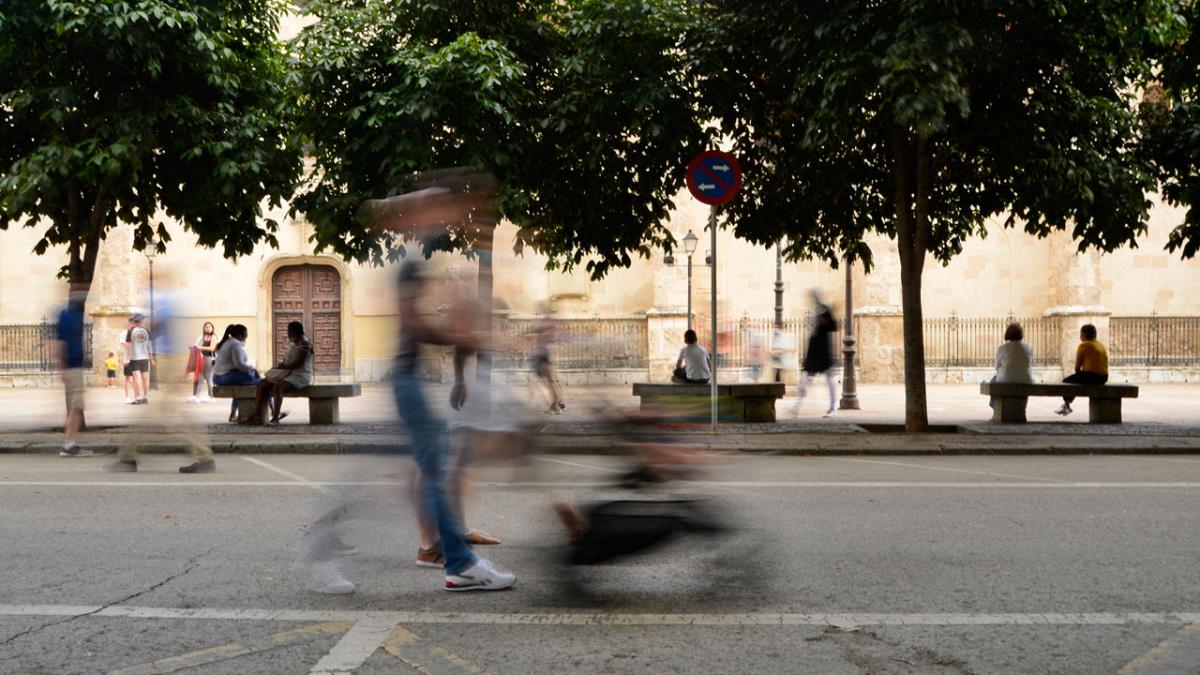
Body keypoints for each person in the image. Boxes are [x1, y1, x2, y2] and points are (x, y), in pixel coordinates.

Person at [297, 171, 515, 594]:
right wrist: (462, 336)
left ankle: (452, 561)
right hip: (407, 383)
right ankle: (456, 563)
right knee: (425, 474)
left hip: (409, 382)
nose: (450, 214)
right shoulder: (410, 263)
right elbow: (414, 324)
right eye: (438, 207)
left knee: (415, 473)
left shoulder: (418, 256)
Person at [245, 321, 313, 425]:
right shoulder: (295, 342)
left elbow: (299, 363)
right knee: (262, 383)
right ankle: (256, 413)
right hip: (288, 373)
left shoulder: (305, 343)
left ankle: (275, 418)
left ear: (295, 331)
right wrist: (279, 367)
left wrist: (283, 366)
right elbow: (288, 360)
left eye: (289, 331)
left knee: (278, 387)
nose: (289, 334)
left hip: (300, 376)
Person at [56, 283, 93, 458]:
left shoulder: (73, 315)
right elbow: (60, 342)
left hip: (74, 366)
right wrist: (62, 367)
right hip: (73, 367)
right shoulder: (69, 316)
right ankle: (69, 445)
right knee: (76, 407)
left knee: (75, 407)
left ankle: (69, 441)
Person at [798, 290, 839, 417]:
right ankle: (796, 406)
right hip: (814, 348)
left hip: (822, 348)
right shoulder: (816, 311)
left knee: (829, 378)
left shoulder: (824, 310)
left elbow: (834, 326)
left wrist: (824, 322)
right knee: (804, 378)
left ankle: (833, 407)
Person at [212, 324, 262, 423]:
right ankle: (271, 410)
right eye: (245, 336)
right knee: (260, 382)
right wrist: (253, 369)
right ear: (240, 335)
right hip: (223, 377)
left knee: (243, 383)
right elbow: (239, 364)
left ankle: (233, 413)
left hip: (218, 376)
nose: (245, 339)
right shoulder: (235, 344)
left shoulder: (228, 341)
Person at [1056, 323, 1109, 416]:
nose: (1080, 335)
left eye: (1081, 333)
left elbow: (1077, 367)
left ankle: (1067, 405)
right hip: (1104, 377)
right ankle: (1066, 405)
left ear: (1084, 334)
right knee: (1077, 380)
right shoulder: (1100, 345)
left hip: (1092, 376)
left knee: (1066, 381)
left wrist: (1080, 376)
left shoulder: (1084, 345)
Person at [989, 322, 1034, 409]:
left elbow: (997, 367)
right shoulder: (1029, 347)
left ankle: (995, 406)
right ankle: (1020, 407)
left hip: (1006, 378)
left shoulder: (1002, 348)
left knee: (993, 381)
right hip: (1026, 378)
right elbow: (1031, 364)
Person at [530, 307, 566, 414]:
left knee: (550, 383)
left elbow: (538, 337)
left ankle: (556, 406)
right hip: (545, 355)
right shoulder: (551, 330)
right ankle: (559, 404)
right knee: (552, 382)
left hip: (542, 356)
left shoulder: (544, 329)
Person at [188, 321, 218, 403]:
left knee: (209, 378)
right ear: (204, 328)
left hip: (210, 358)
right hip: (202, 358)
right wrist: (195, 347)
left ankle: (212, 397)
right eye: (206, 327)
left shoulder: (213, 337)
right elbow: (198, 346)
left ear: (212, 328)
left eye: (209, 327)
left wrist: (200, 347)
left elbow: (212, 348)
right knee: (200, 378)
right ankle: (197, 397)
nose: (208, 328)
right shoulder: (204, 337)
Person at [127, 314, 152, 404]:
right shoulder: (147, 331)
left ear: (134, 322)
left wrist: (127, 358)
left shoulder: (131, 331)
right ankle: (145, 397)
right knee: (145, 378)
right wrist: (151, 358)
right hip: (144, 357)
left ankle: (139, 397)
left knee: (137, 377)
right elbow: (149, 346)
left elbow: (129, 346)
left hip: (135, 357)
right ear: (141, 321)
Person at [121, 318, 136, 403]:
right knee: (129, 379)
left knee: (136, 378)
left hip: (136, 359)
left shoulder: (136, 333)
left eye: (134, 323)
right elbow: (126, 346)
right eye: (131, 323)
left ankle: (136, 396)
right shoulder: (123, 334)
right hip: (128, 359)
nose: (133, 325)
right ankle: (127, 397)